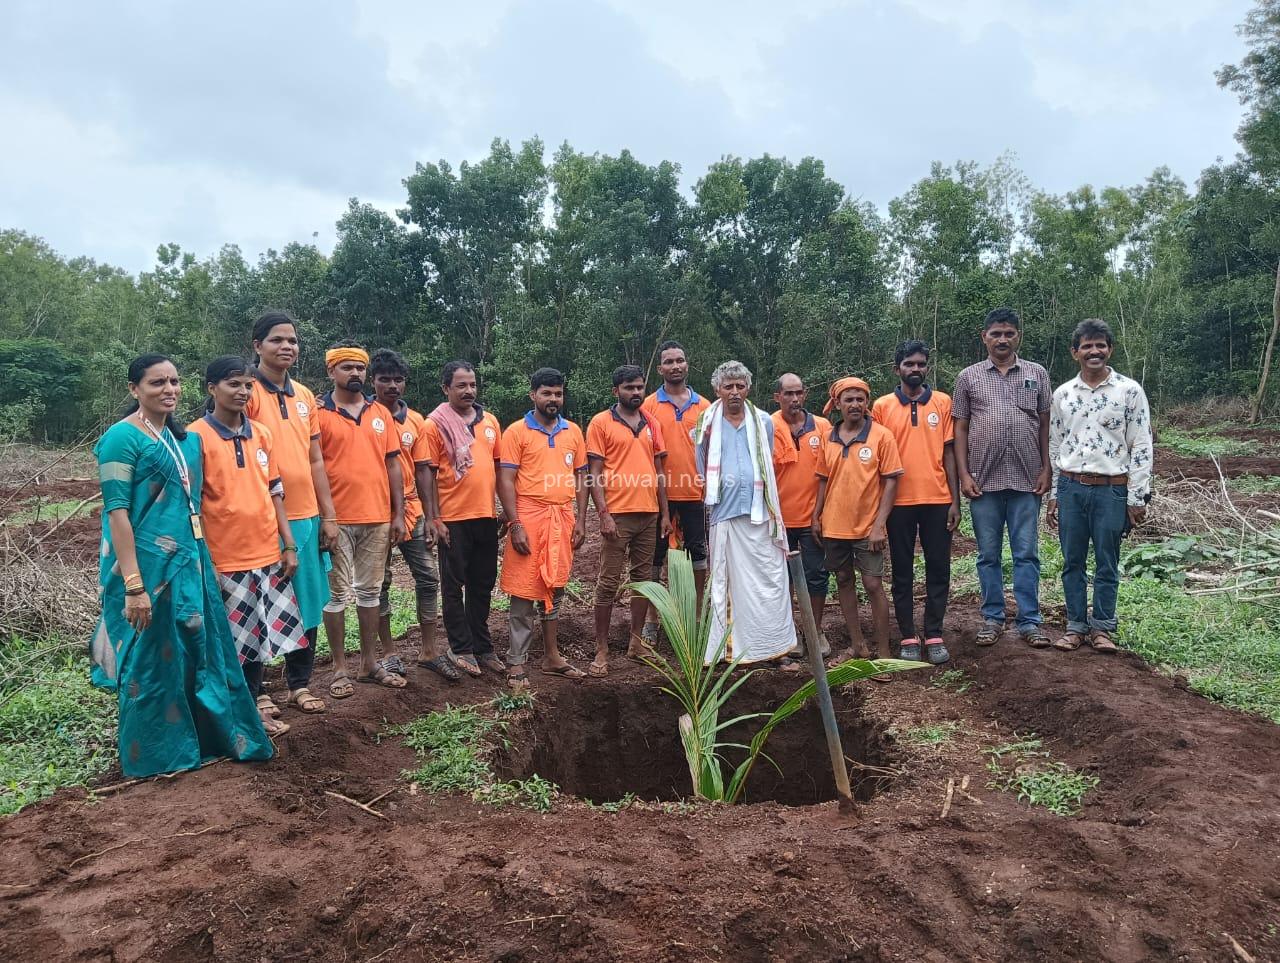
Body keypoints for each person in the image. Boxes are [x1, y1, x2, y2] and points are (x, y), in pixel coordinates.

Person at [89, 354, 272, 779]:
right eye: (157, 383)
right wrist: (134, 586)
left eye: (173, 382)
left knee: (199, 650)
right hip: (146, 569)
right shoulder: (121, 438)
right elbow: (117, 513)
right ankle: (156, 754)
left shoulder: (185, 438)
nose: (169, 390)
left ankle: (207, 738)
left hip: (191, 562)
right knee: (151, 660)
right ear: (134, 389)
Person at [191, 356, 308, 738]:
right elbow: (192, 501)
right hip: (225, 557)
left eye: (246, 385)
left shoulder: (261, 434)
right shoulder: (195, 437)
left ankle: (255, 706)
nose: (242, 392)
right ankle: (242, 717)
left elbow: (275, 491)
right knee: (233, 643)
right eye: (232, 384)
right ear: (211, 388)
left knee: (259, 638)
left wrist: (288, 543)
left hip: (266, 552)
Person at [246, 310, 336, 715]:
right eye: (277, 339)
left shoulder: (304, 397)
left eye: (293, 341)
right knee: (260, 603)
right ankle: (259, 691)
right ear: (257, 346)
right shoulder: (244, 393)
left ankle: (299, 684)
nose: (287, 347)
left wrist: (328, 515)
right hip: (261, 520)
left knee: (307, 601)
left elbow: (316, 459)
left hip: (307, 515)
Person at [1046, 319, 1154, 654]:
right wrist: (1053, 494)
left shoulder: (1129, 391)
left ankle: (1103, 627)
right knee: (1072, 560)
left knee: (1107, 561)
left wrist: (1137, 497)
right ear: (1075, 351)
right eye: (1087, 346)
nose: (1094, 352)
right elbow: (1055, 445)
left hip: (1112, 490)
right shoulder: (1062, 394)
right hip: (1071, 487)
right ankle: (1076, 626)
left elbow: (1142, 445)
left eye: (1101, 345)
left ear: (1110, 349)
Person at [953, 308, 1053, 648]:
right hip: (983, 481)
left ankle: (1029, 620)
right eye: (996, 333)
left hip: (1027, 480)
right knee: (988, 555)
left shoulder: (1036, 373)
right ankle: (993, 618)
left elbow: (1044, 423)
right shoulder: (968, 377)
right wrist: (964, 474)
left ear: (1018, 337)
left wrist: (1046, 467)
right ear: (984, 337)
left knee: (1026, 553)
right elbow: (961, 427)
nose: (1002, 339)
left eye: (1009, 333)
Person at [313, 342, 407, 695]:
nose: (355, 374)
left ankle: (369, 663)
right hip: (336, 520)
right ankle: (339, 669)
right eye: (347, 368)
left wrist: (398, 514)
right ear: (331, 372)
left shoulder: (380, 414)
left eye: (360, 368)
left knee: (370, 592)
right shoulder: (318, 413)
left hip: (377, 518)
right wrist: (326, 517)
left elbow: (393, 464)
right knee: (336, 595)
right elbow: (312, 466)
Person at [693, 360, 797, 666]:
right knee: (727, 584)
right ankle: (730, 650)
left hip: (759, 516)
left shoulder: (763, 421)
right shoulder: (705, 424)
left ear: (748, 389)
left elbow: (764, 462)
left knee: (768, 581)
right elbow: (702, 467)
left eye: (740, 386)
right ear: (717, 390)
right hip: (725, 516)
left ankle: (772, 648)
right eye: (728, 386)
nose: (735, 392)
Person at [368, 349, 458, 683]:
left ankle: (429, 651)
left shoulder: (417, 421)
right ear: (372, 381)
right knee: (380, 583)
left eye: (398, 379)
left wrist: (433, 516)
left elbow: (424, 472)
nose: (392, 385)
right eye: (384, 379)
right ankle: (389, 653)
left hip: (411, 509)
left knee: (428, 577)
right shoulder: (365, 416)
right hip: (375, 512)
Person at [497, 368, 590, 688]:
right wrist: (515, 524)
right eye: (547, 393)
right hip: (529, 517)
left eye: (558, 393)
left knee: (555, 587)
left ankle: (552, 656)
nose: (553, 399)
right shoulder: (516, 432)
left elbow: (581, 478)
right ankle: (516, 660)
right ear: (533, 395)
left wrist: (581, 519)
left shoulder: (574, 432)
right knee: (524, 592)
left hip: (561, 519)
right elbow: (505, 481)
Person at [871, 341, 960, 665]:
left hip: (937, 498)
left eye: (921, 364)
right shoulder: (881, 406)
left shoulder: (942, 402)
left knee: (939, 568)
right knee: (903, 571)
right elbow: (877, 458)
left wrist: (955, 499)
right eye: (909, 364)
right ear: (898, 369)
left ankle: (934, 633)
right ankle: (908, 634)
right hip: (898, 503)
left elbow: (949, 452)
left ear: (927, 368)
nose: (916, 369)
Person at [812, 378, 904, 676]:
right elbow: (824, 479)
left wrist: (879, 525)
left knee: (874, 585)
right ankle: (858, 645)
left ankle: (885, 653)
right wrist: (817, 515)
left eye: (860, 399)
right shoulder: (828, 437)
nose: (855, 405)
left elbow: (891, 481)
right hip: (834, 526)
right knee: (842, 581)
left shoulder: (881, 436)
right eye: (848, 400)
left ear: (867, 403)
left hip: (867, 527)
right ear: (837, 404)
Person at [420, 361, 504, 679]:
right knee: (454, 585)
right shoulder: (434, 425)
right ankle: (460, 646)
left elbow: (498, 469)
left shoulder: (490, 422)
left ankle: (482, 646)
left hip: (485, 515)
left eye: (472, 385)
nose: (469, 390)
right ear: (446, 389)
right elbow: (427, 474)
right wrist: (434, 518)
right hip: (452, 518)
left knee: (483, 584)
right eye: (461, 385)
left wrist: (505, 511)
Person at [586, 364, 671, 677]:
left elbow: (660, 471)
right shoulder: (601, 423)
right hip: (617, 516)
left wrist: (664, 514)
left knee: (643, 580)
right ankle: (601, 648)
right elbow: (593, 474)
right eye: (629, 388)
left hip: (648, 514)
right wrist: (603, 514)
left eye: (639, 387)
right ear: (616, 391)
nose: (635, 393)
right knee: (608, 582)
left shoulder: (651, 422)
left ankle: (636, 643)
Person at [641, 341, 711, 642]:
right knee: (655, 559)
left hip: (695, 494)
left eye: (680, 360)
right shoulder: (648, 405)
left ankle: (695, 616)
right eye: (669, 362)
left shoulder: (706, 406)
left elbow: (711, 450)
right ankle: (652, 618)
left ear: (687, 364)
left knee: (698, 555)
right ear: (660, 369)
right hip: (659, 496)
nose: (675, 366)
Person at [771, 373, 833, 660]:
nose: (794, 399)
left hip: (814, 519)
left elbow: (831, 473)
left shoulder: (822, 427)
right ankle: (790, 632)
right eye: (788, 394)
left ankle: (815, 630)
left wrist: (823, 514)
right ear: (777, 397)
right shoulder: (767, 426)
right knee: (782, 581)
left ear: (805, 394)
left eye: (798, 393)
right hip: (779, 521)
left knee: (816, 576)